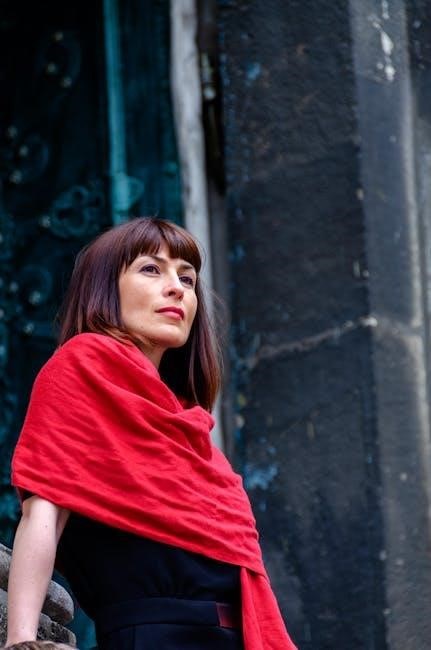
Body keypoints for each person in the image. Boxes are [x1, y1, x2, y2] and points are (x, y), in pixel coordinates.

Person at [6, 217, 297, 650]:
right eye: (151, 269)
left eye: (187, 278)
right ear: (105, 288)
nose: (177, 288)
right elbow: (43, 508)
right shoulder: (80, 368)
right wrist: (21, 640)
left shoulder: (188, 421)